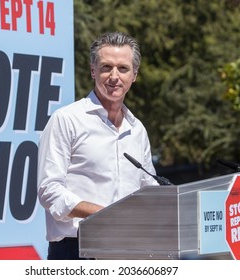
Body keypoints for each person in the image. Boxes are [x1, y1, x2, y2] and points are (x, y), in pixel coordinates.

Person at [37, 31, 158, 260]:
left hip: (128, 249)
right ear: (93, 71)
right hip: (76, 250)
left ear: (134, 75)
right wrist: (102, 214)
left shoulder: (137, 129)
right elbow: (49, 191)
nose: (114, 76)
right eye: (106, 67)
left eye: (123, 68)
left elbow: (148, 188)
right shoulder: (67, 119)